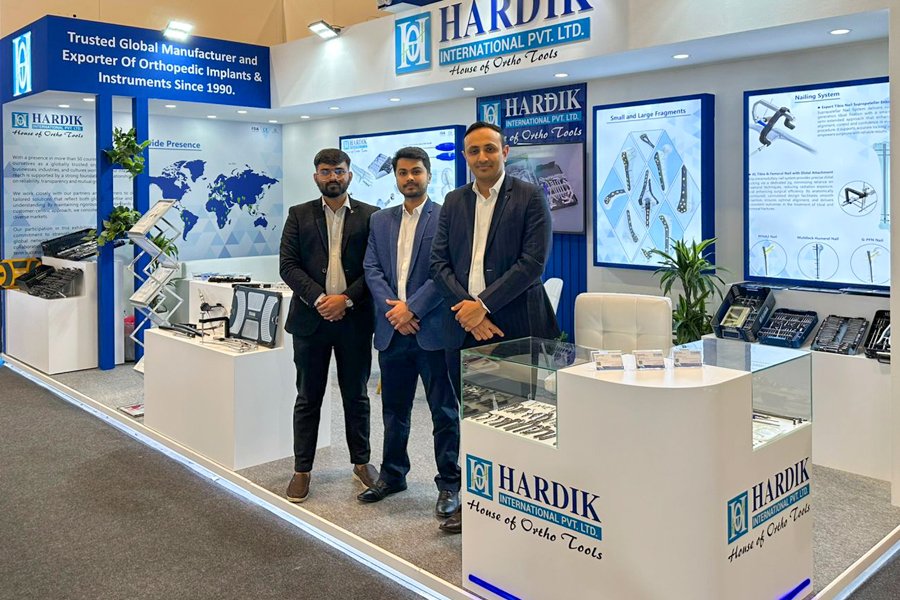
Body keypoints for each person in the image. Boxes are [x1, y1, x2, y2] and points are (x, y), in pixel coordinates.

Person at [430, 121, 560, 532]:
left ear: (505, 152)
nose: (482, 157)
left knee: (516, 420)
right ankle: (478, 504)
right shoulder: (453, 201)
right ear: (465, 157)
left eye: (489, 148)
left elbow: (532, 264)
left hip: (515, 325)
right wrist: (468, 311)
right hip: (462, 327)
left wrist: (482, 306)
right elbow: (438, 263)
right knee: (473, 417)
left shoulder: (530, 196)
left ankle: (520, 511)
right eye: (474, 150)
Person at [360, 146, 461, 520]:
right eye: (402, 173)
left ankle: (449, 484)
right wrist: (395, 313)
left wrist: (412, 309)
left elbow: (446, 272)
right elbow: (371, 269)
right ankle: (393, 475)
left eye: (416, 171)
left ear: (428, 174)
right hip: (393, 332)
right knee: (394, 409)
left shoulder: (445, 217)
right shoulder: (380, 220)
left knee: (443, 412)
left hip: (432, 330)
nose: (409, 178)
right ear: (396, 178)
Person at [280, 148, 380, 503]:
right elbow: (288, 265)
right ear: (316, 176)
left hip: (354, 321)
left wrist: (346, 299)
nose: (332, 177)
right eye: (325, 171)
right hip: (311, 321)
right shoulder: (298, 214)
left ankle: (361, 463)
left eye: (338, 171)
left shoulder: (372, 216)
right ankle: (302, 469)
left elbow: (375, 267)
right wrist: (321, 299)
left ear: (349, 175)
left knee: (357, 396)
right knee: (308, 398)